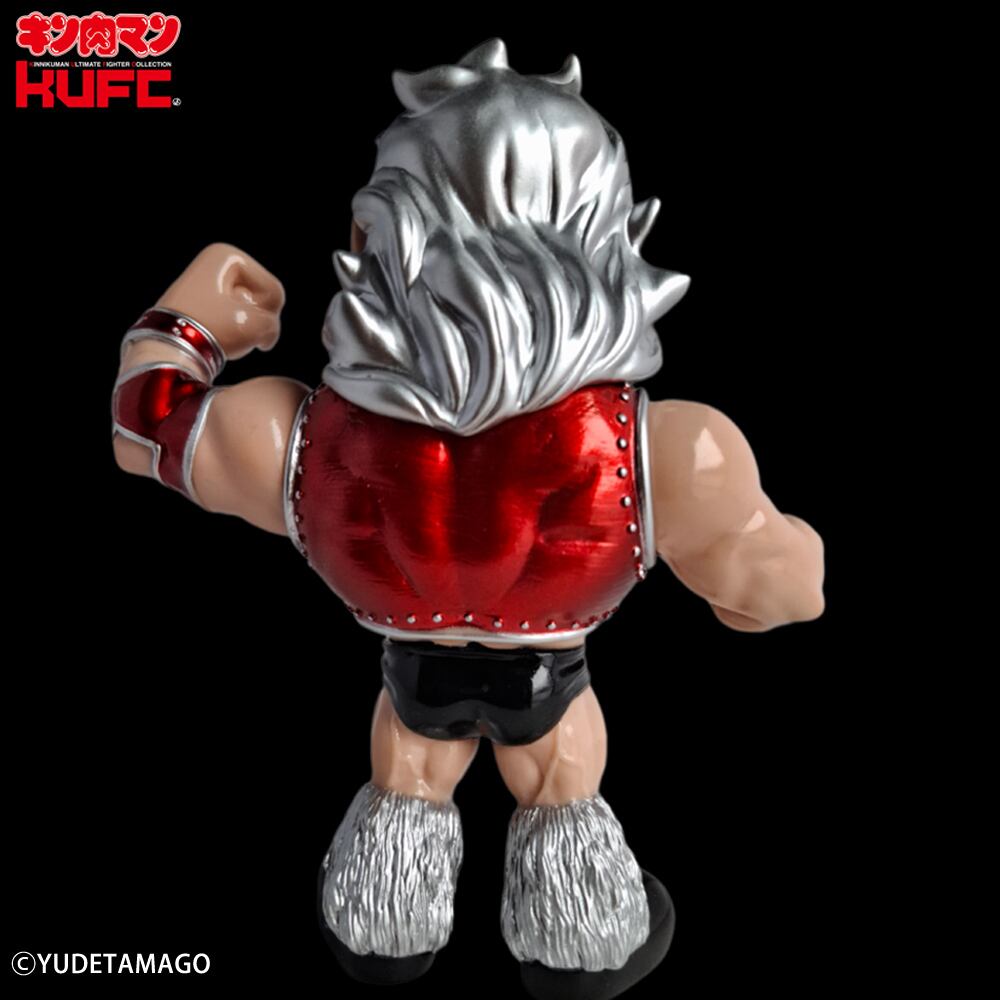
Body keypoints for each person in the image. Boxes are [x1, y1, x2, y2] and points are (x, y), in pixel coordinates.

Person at [111, 37, 825, 1000]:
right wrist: (774, 559)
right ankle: (581, 944)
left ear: (376, 234)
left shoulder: (296, 437)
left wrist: (193, 317)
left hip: (412, 673)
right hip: (551, 676)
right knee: (559, 781)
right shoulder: (667, 450)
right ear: (610, 233)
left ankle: (382, 933)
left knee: (409, 771)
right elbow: (780, 596)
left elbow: (144, 428)